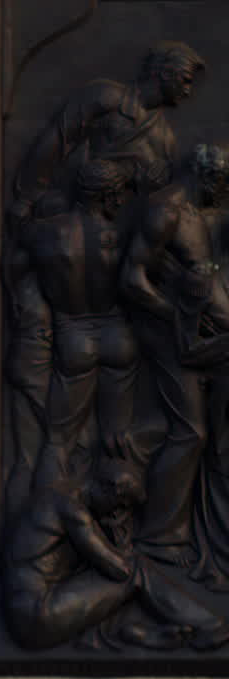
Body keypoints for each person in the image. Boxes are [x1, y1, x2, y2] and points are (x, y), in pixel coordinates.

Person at [121, 143, 229, 564]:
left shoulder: (198, 214)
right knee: (190, 432)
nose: (221, 195)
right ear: (207, 176)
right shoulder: (165, 211)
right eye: (220, 185)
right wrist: (177, 317)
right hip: (165, 334)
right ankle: (158, 537)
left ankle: (206, 525)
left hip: (193, 332)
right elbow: (132, 280)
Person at [2, 461, 229, 651]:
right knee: (137, 570)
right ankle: (209, 626)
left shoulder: (53, 496)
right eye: (121, 504)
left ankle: (130, 632)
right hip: (39, 615)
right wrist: (118, 536)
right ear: (108, 488)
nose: (118, 513)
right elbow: (120, 570)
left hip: (25, 615)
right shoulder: (73, 511)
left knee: (107, 579)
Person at [11, 158, 136, 490]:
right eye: (117, 194)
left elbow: (15, 271)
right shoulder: (122, 235)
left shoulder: (44, 233)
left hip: (74, 337)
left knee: (58, 441)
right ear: (104, 195)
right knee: (118, 439)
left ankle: (47, 509)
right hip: (118, 338)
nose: (122, 202)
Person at [14, 41, 205, 209]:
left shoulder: (166, 139)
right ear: (165, 73)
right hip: (70, 210)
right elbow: (56, 140)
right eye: (185, 80)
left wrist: (151, 182)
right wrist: (27, 199)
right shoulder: (106, 97)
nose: (187, 91)